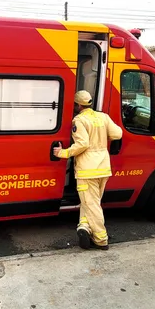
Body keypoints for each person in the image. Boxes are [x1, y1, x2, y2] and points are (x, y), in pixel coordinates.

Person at [54, 90, 123, 250]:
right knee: (91, 202)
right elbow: (117, 134)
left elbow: (82, 144)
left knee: (91, 205)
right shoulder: (103, 117)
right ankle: (84, 226)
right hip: (104, 168)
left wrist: (63, 153)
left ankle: (100, 238)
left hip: (87, 170)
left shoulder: (79, 120)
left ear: (77, 105)